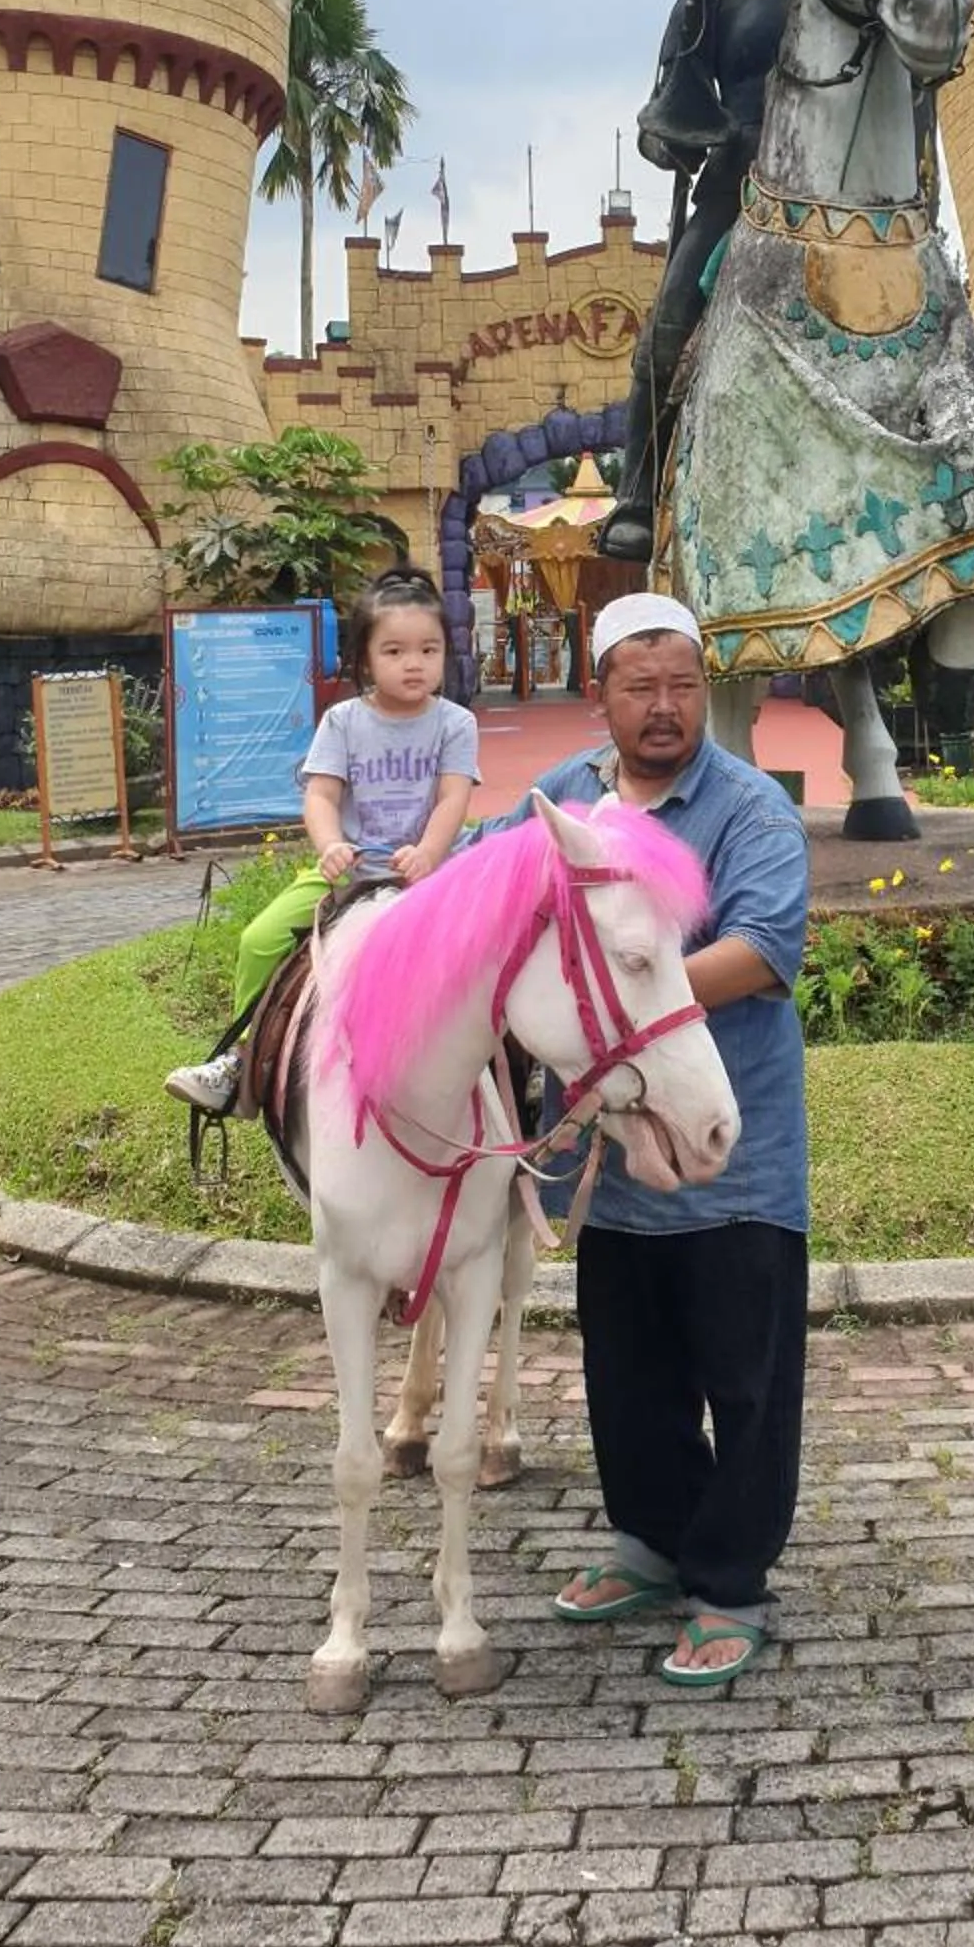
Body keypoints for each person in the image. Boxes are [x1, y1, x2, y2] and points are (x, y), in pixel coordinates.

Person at [479, 590, 809, 1686]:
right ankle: (653, 1543)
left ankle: (728, 1582)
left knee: (743, 1377)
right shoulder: (557, 803)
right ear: (601, 693)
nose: (666, 710)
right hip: (603, 1154)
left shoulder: (748, 808)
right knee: (628, 1370)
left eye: (683, 687)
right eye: (641, 687)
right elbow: (477, 894)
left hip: (733, 1150)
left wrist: (616, 1003)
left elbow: (761, 947)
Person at [164, 575, 478, 1114]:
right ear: (364, 658)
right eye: (395, 651)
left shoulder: (455, 723)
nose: (414, 664)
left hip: (431, 873)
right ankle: (242, 1065)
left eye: (429, 650)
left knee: (495, 945)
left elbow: (453, 797)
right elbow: (321, 796)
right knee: (259, 939)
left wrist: (428, 852)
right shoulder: (343, 721)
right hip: (351, 870)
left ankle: (516, 1070)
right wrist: (330, 845)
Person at [598, 0, 812, 565]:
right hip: (732, 187)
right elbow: (663, 120)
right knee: (664, 334)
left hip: (824, 183)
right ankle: (636, 485)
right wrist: (686, 133)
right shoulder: (711, 0)